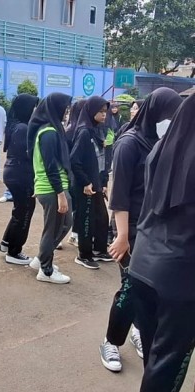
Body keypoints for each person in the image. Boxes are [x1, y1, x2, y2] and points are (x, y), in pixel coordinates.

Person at [99, 87, 183, 373]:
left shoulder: (161, 141)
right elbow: (118, 194)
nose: (171, 121)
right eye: (168, 116)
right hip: (129, 226)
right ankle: (110, 341)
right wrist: (122, 236)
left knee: (143, 293)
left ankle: (136, 329)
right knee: (130, 289)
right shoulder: (129, 144)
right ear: (155, 113)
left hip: (150, 229)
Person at [128, 93, 195, 392]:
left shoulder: (159, 148)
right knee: (169, 361)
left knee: (154, 356)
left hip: (143, 263)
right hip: (179, 275)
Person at [27, 92, 73, 284]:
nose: (67, 111)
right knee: (52, 229)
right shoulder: (48, 132)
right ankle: (45, 270)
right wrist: (60, 194)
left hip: (53, 187)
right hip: (52, 188)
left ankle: (41, 259)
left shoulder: (51, 129)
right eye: (65, 107)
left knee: (64, 224)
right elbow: (50, 166)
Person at [70, 96, 112, 269]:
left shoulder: (97, 130)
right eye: (100, 111)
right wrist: (86, 182)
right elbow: (74, 160)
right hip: (85, 186)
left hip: (95, 183)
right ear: (91, 111)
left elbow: (101, 160)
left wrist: (103, 181)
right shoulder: (84, 131)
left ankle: (99, 249)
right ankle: (84, 255)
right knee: (86, 220)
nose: (104, 115)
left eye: (105, 111)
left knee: (102, 217)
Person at [0, 94, 39, 265]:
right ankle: (15, 252)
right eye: (34, 107)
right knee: (25, 212)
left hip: (14, 172)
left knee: (19, 210)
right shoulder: (23, 128)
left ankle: (7, 243)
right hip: (21, 175)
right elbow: (29, 155)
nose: (36, 110)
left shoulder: (16, 125)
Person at [63, 99, 86, 249]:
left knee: (74, 206)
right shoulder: (75, 130)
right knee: (73, 206)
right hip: (73, 173)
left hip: (71, 172)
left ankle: (72, 235)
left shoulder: (71, 129)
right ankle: (71, 235)